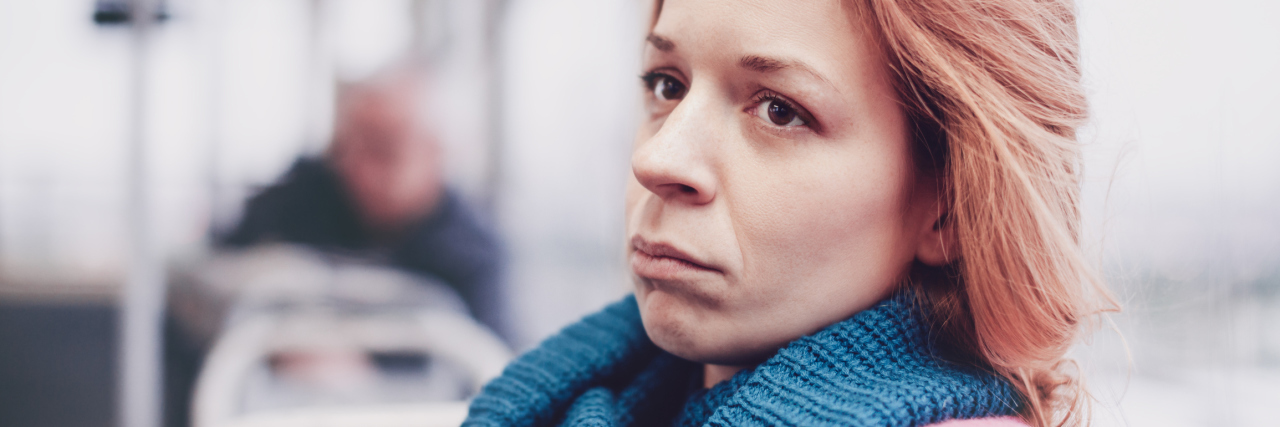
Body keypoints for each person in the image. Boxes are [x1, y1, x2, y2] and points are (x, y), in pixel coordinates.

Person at [463, 0, 1114, 426]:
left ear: (949, 208)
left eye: (779, 110)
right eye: (668, 84)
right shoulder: (594, 395)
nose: (660, 159)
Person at [219, 65, 505, 333]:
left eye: (385, 150)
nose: (357, 167)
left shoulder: (472, 256)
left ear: (437, 152)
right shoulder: (294, 203)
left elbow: (497, 366)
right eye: (343, 146)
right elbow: (213, 279)